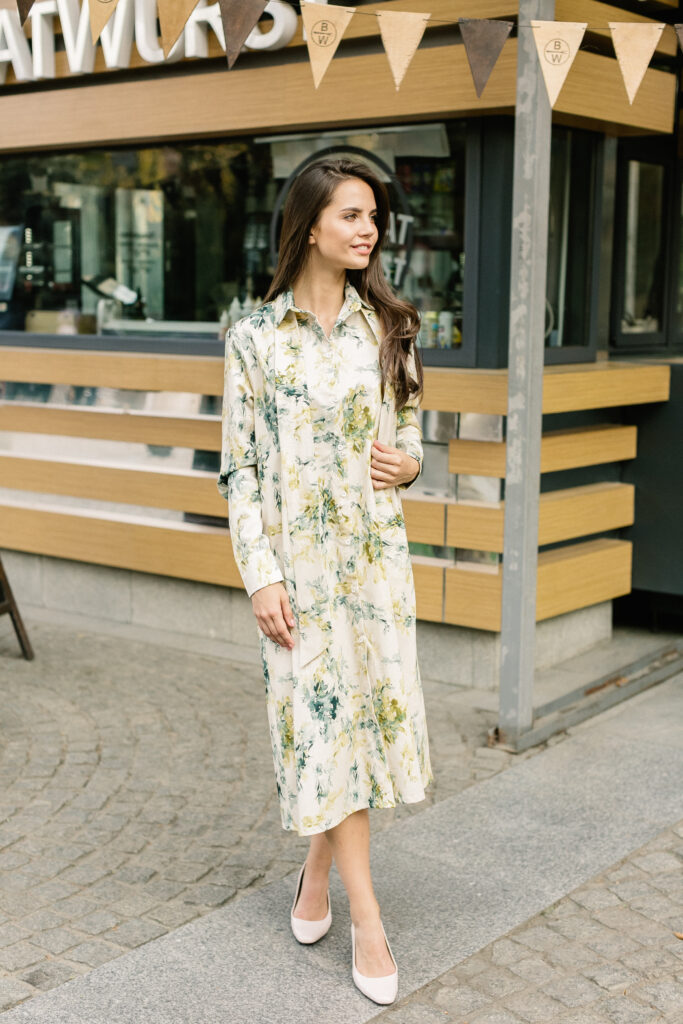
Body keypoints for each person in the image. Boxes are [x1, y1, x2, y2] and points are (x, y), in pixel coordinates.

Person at [218, 158, 432, 1006]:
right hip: (296, 578)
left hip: (375, 567)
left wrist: (409, 464)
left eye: (373, 216)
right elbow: (237, 468)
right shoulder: (252, 339)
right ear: (310, 223)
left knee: (353, 734)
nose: (368, 228)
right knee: (324, 726)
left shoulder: (389, 327)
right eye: (351, 214)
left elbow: (411, 426)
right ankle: (368, 919)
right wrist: (259, 577)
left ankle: (315, 873)